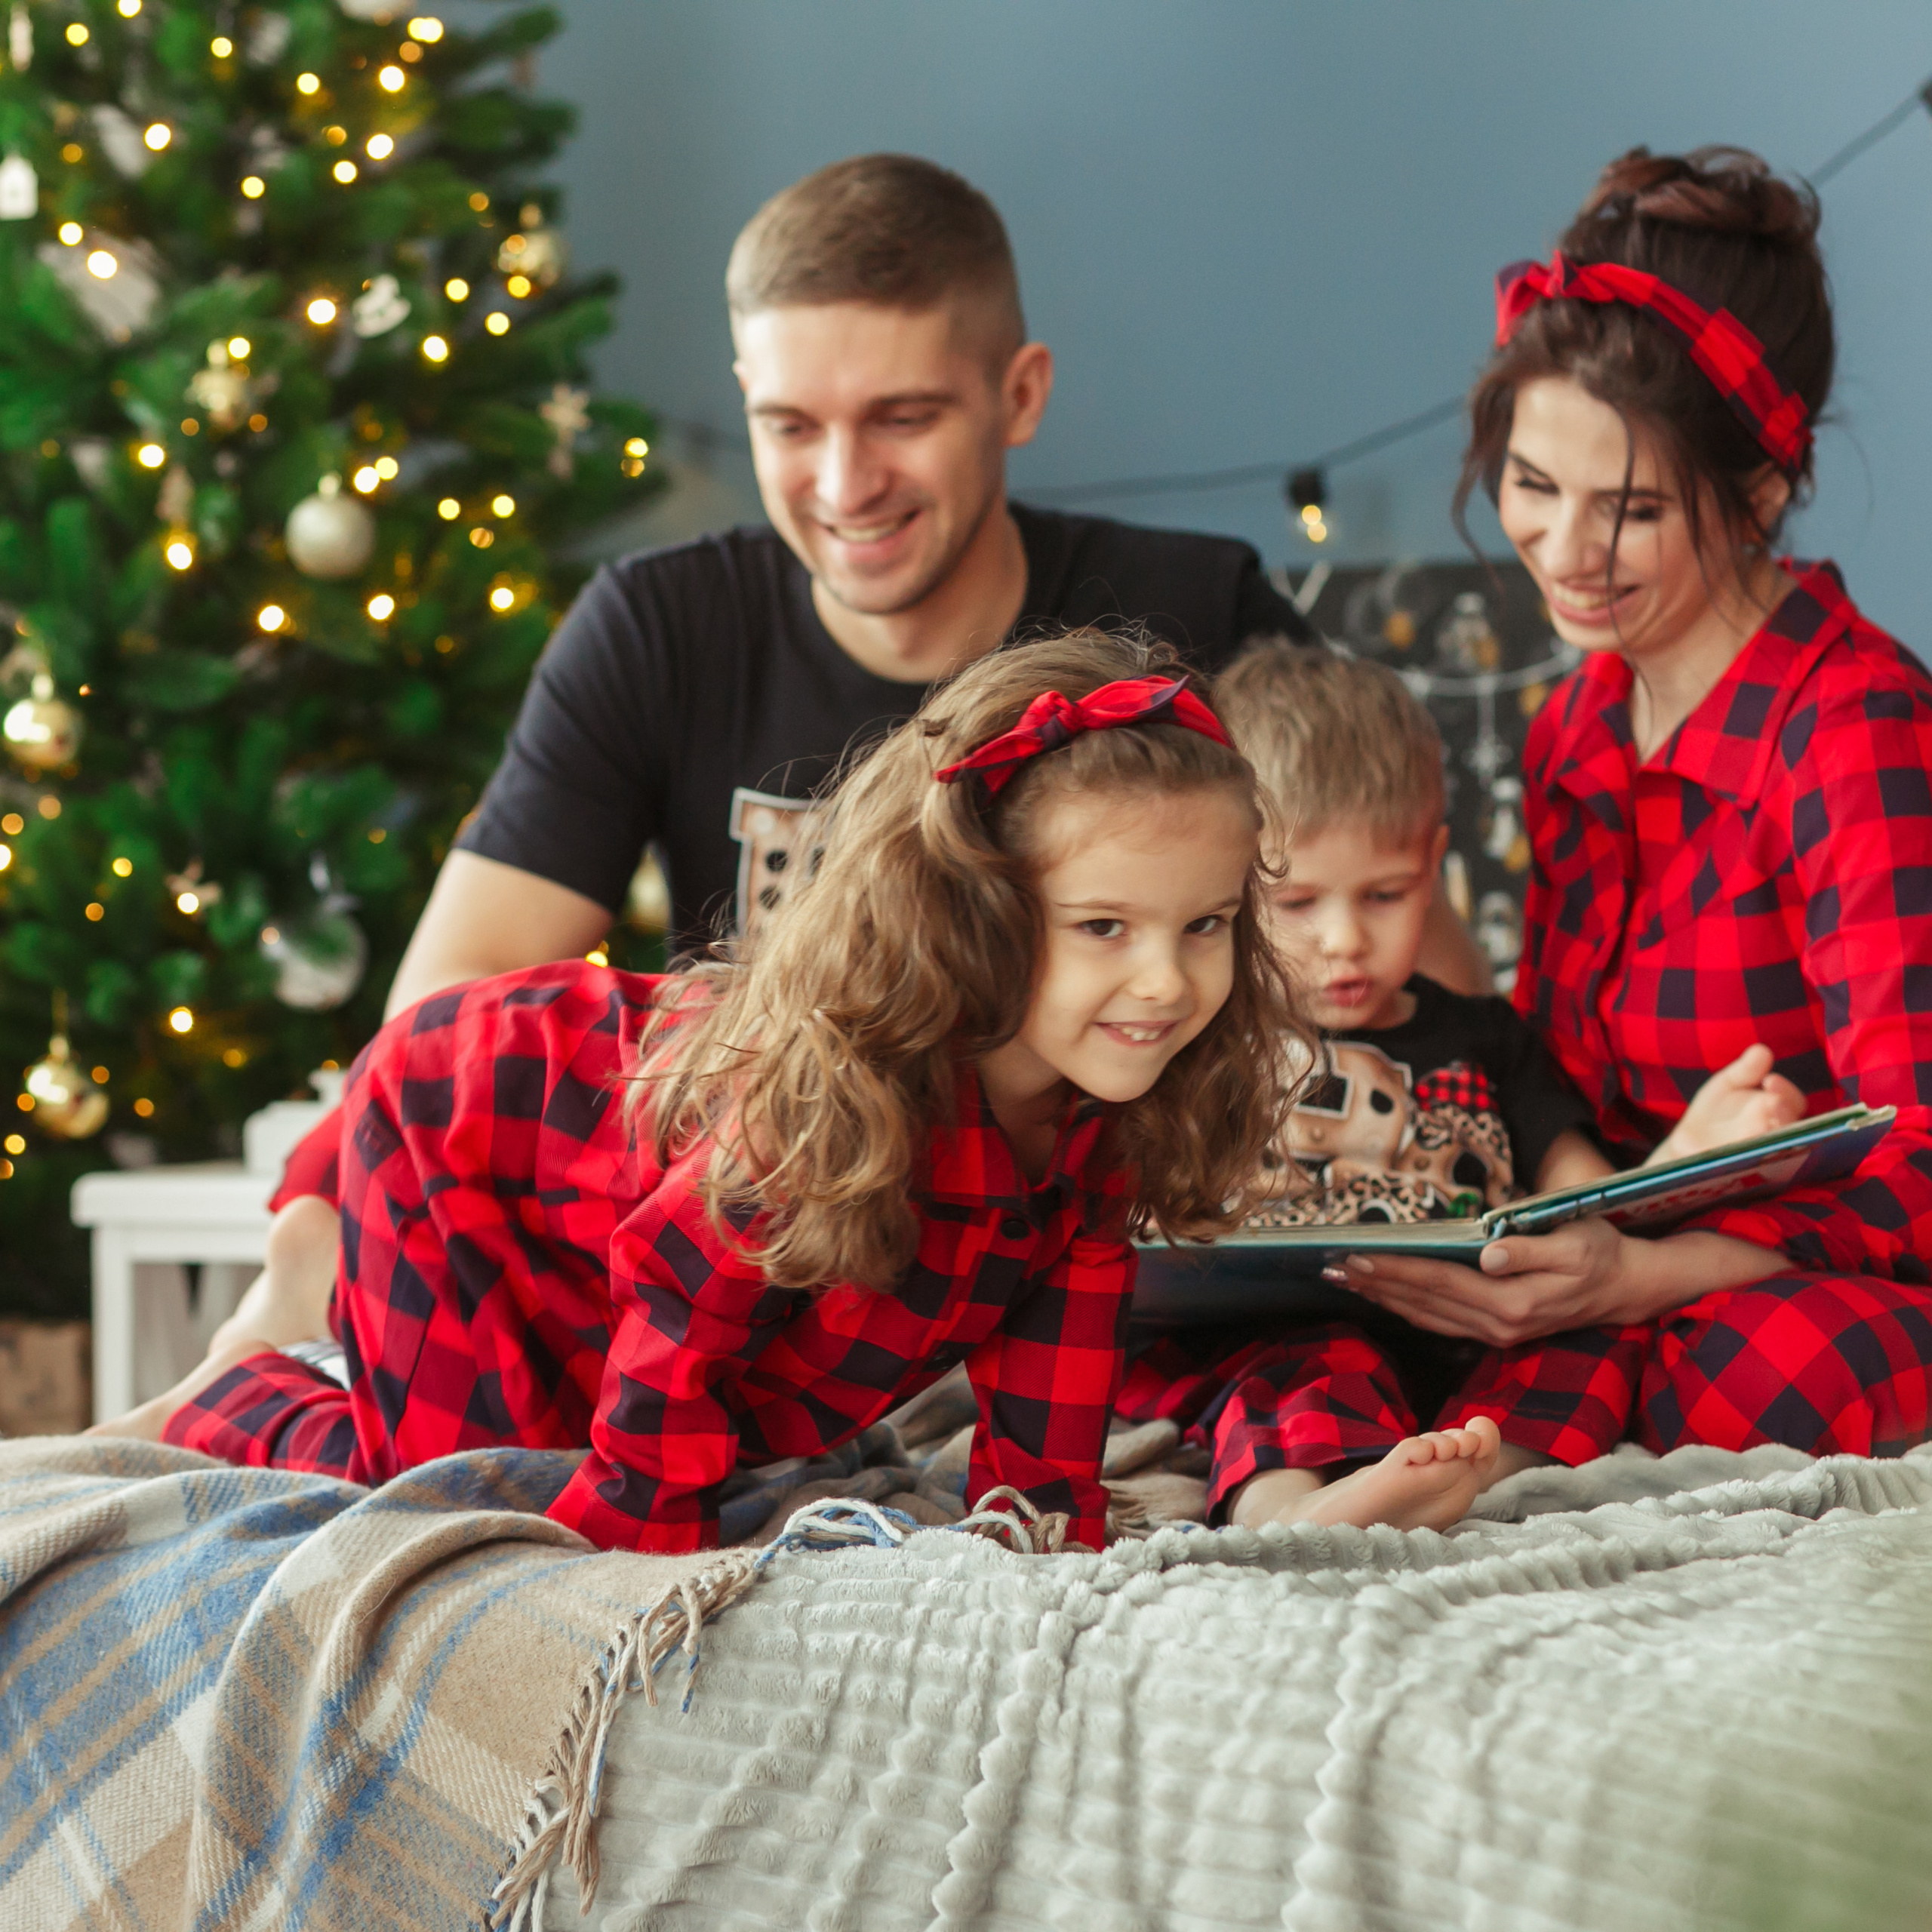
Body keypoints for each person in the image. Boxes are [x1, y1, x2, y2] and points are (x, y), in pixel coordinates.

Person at [109, 630, 1466, 1552]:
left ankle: (352, 1340)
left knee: (582, 1428)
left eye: (1208, 926)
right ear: (985, 915)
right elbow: (682, 1321)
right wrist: (638, 1555)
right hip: (473, 1126)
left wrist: (1044, 1532)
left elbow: (1051, 1391)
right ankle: (248, 1393)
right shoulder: (829, 1097)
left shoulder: (1103, 1111)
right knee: (474, 1497)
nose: (1166, 984)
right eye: (1105, 928)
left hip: (615, 1227)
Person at [1331, 145, 1932, 1466]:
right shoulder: (1579, 727)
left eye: (1634, 509)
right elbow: (1562, 1093)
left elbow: (1922, 1158)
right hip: (1628, 1244)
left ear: (1763, 491)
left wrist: (1647, 1270)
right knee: (1349, 1327)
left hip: (1810, 1286)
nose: (1561, 553)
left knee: (1756, 1373)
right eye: (1534, 487)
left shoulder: (1852, 733)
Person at [1116, 645, 1801, 1531]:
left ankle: (1474, 1477)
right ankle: (1285, 1514)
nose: (1344, 940)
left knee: (1597, 1339)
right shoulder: (1198, 1032)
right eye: (1297, 904)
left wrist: (1686, 1153)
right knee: (1304, 1363)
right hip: (1280, 1331)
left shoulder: (1485, 1034)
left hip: (1472, 1331)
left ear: (1433, 864)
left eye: (1386, 894)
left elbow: (1580, 1201)